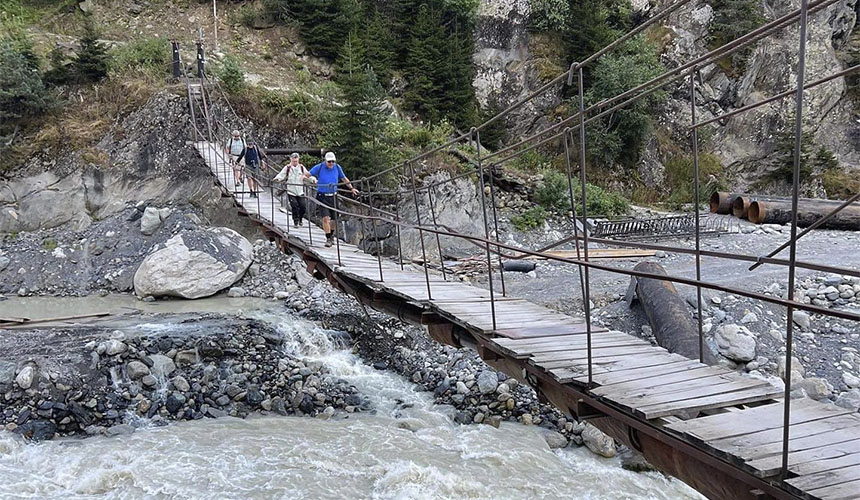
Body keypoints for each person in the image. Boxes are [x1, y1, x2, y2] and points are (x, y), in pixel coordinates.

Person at [306, 151, 358, 247]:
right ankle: (328, 238)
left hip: (333, 196)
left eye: (333, 162)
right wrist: (313, 180)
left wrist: (351, 188)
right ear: (325, 161)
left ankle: (332, 234)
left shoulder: (337, 168)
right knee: (326, 218)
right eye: (329, 162)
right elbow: (307, 175)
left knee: (334, 218)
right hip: (322, 196)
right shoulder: (320, 167)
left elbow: (344, 179)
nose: (331, 164)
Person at [273, 152, 309, 227]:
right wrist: (277, 179)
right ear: (291, 160)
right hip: (291, 191)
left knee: (303, 206)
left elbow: (307, 175)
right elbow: (281, 175)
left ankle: (300, 219)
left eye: (296, 161)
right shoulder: (287, 168)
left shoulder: (301, 168)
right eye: (293, 161)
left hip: (300, 191)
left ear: (298, 160)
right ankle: (296, 221)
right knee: (294, 206)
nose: (295, 162)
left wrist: (313, 180)